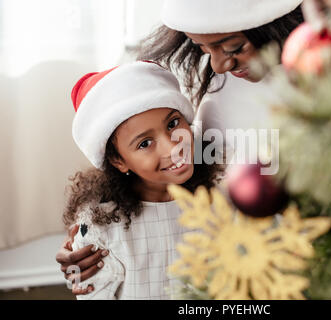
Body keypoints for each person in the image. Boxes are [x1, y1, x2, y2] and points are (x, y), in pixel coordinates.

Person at [56, 0, 305, 295]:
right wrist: (82, 248)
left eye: (233, 47)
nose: (217, 65)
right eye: (202, 48)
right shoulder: (219, 97)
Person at [62, 61, 222, 299]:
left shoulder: (219, 196)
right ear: (118, 160)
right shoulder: (100, 225)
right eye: (145, 143)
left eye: (173, 124)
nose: (173, 147)